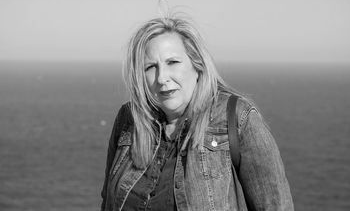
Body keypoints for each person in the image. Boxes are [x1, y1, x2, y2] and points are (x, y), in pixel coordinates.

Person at [100, 12, 294, 211]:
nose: (161, 78)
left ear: (197, 64)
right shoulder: (129, 119)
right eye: (150, 67)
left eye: (173, 62)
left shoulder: (238, 118)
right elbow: (108, 200)